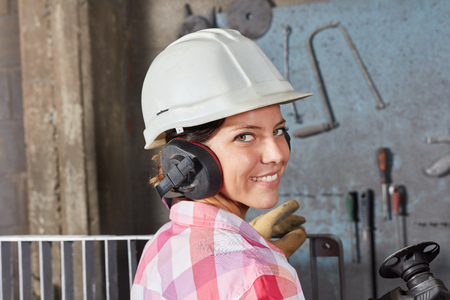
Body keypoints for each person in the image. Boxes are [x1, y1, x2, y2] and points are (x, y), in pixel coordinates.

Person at [132, 28, 312, 300]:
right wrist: (259, 273)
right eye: (245, 136)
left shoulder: (161, 245)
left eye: (278, 131)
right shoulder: (256, 275)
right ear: (186, 159)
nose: (276, 153)